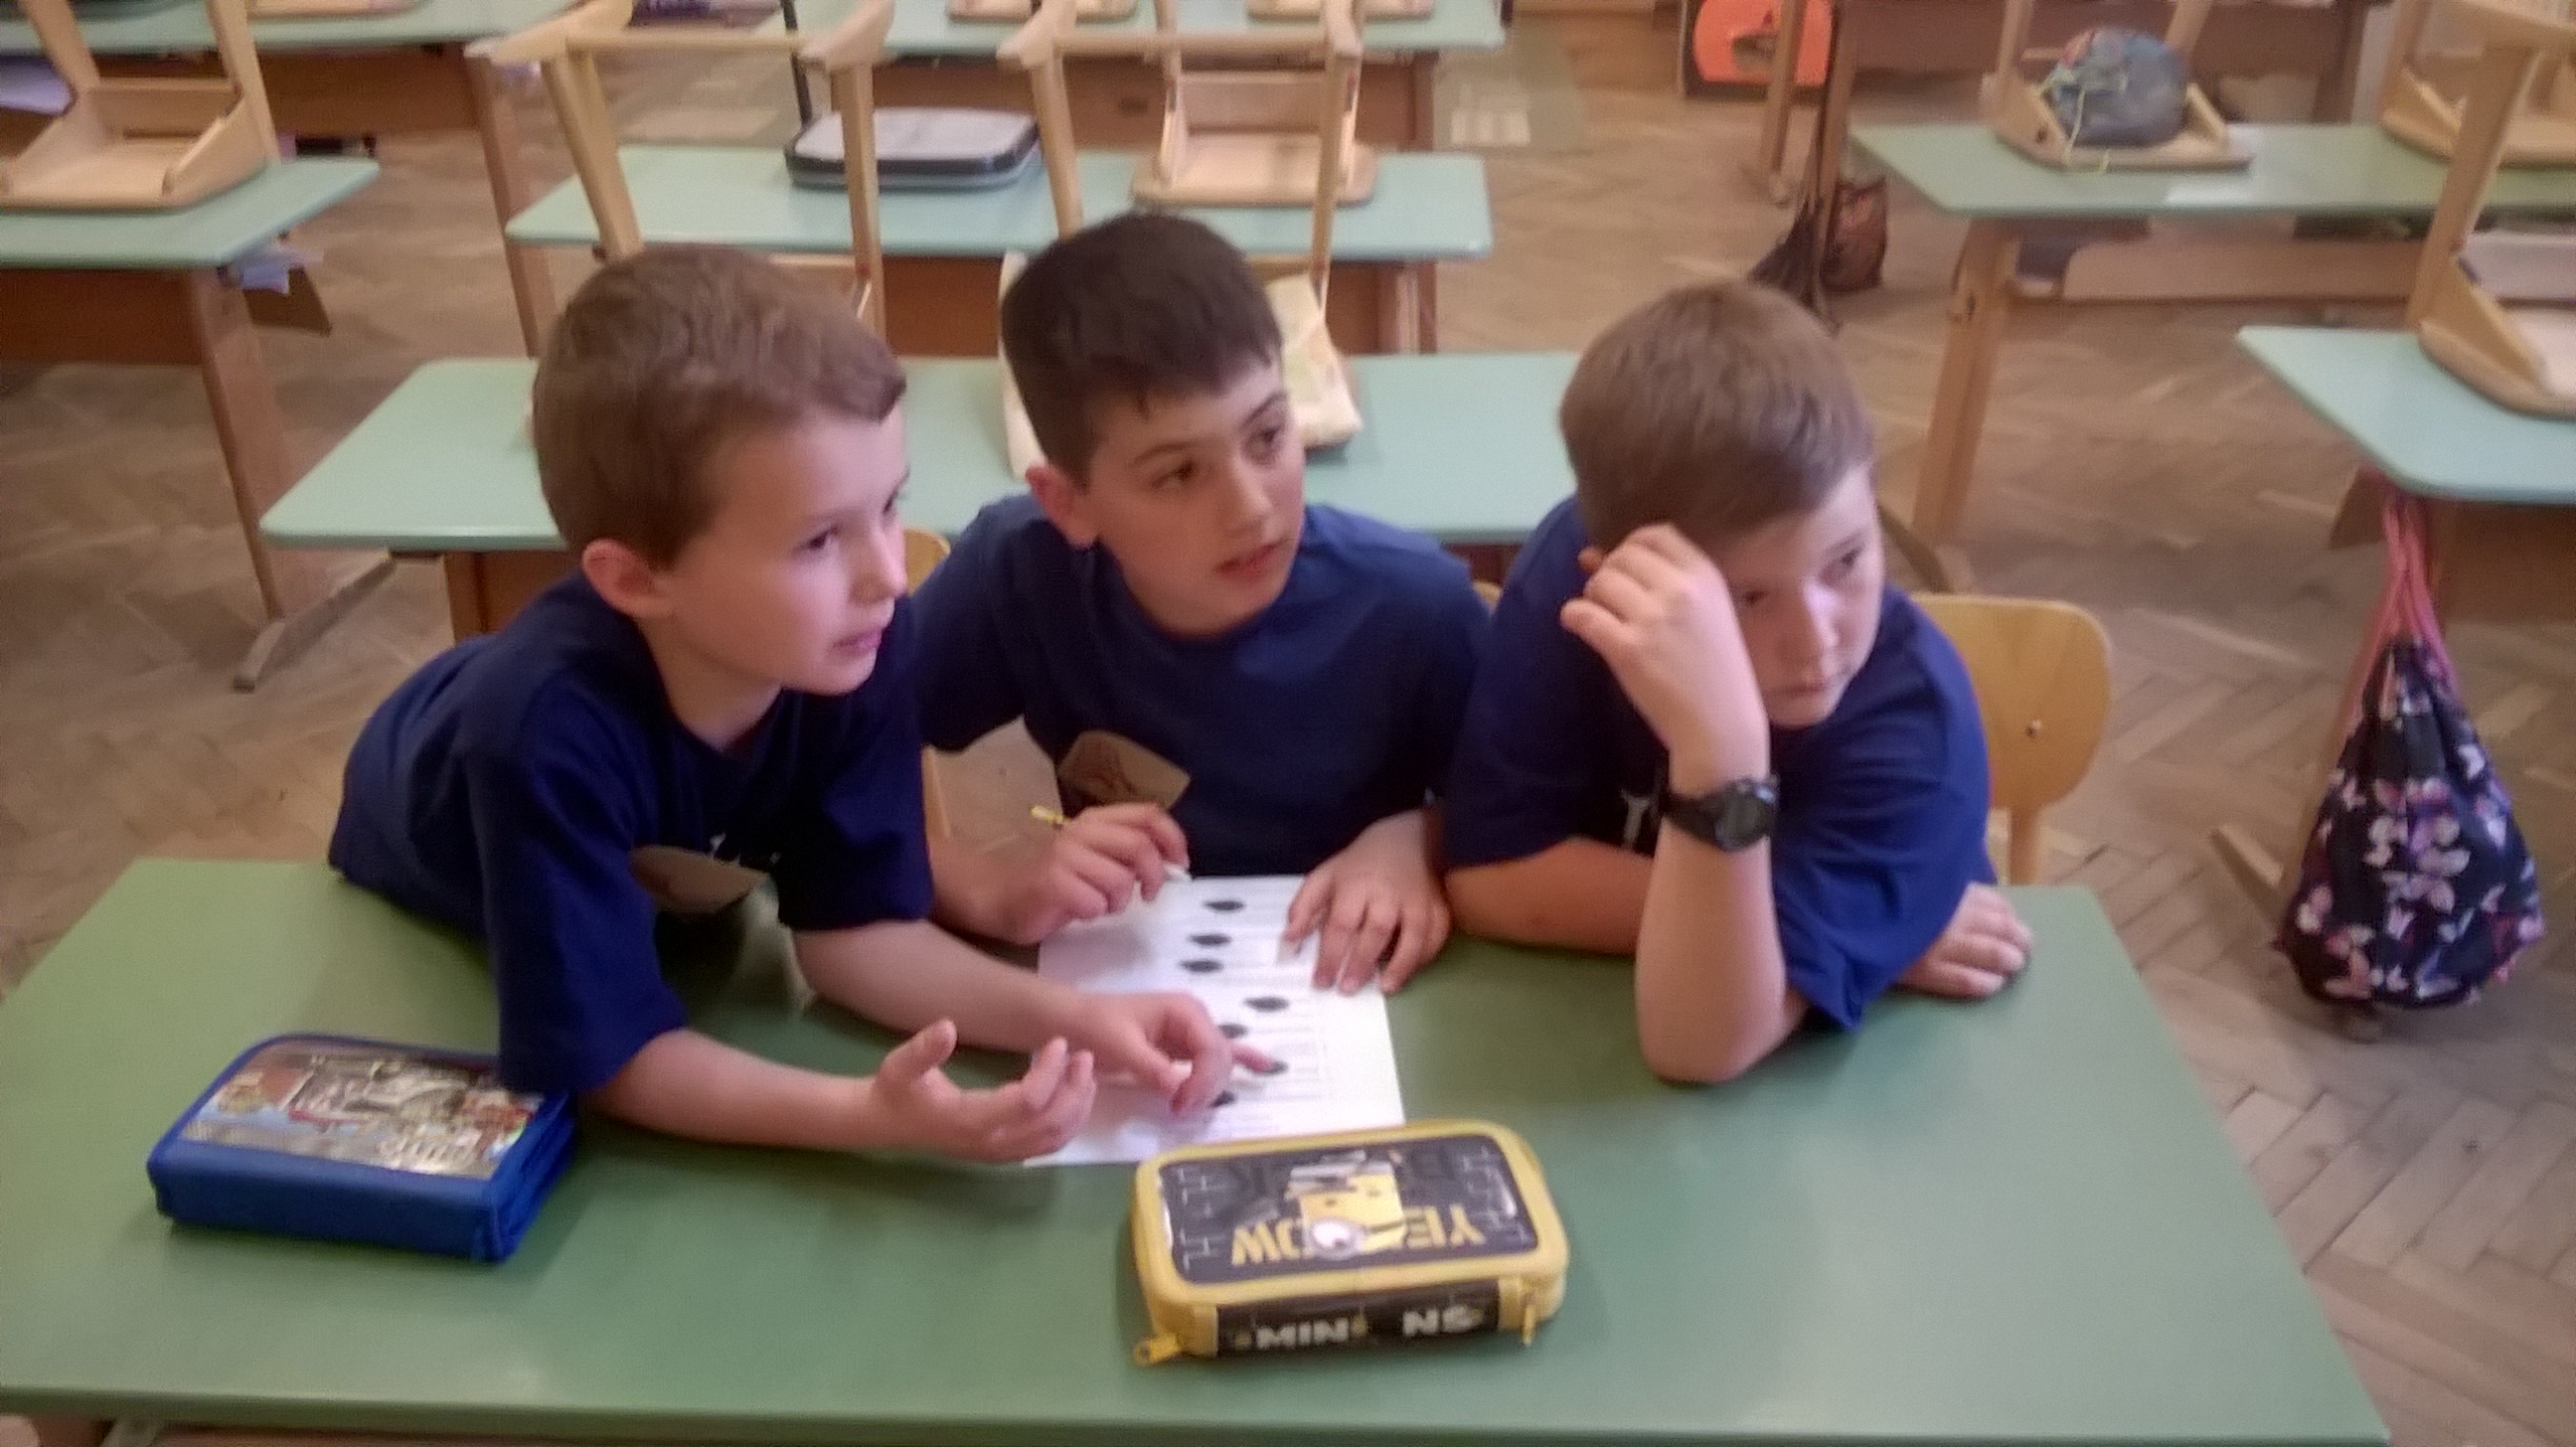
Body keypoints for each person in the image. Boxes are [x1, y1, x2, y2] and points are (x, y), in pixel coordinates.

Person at [330, 245, 1249, 1160]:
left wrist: (1083, 1019)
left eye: (888, 506)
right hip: (429, 852)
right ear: (638, 579)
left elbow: (854, 937)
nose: (889, 577)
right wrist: (868, 1117)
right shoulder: (537, 736)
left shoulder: (849, 642)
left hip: (675, 866)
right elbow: (611, 1062)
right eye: (817, 542)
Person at [1442, 281, 2031, 1083]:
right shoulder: (1582, 597)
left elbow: (1700, 1044)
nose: (1816, 640)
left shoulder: (1913, 724)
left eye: (1847, 561)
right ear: (1620, 578)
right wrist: (1801, 934)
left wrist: (1722, 759)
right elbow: (1492, 880)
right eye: (1748, 597)